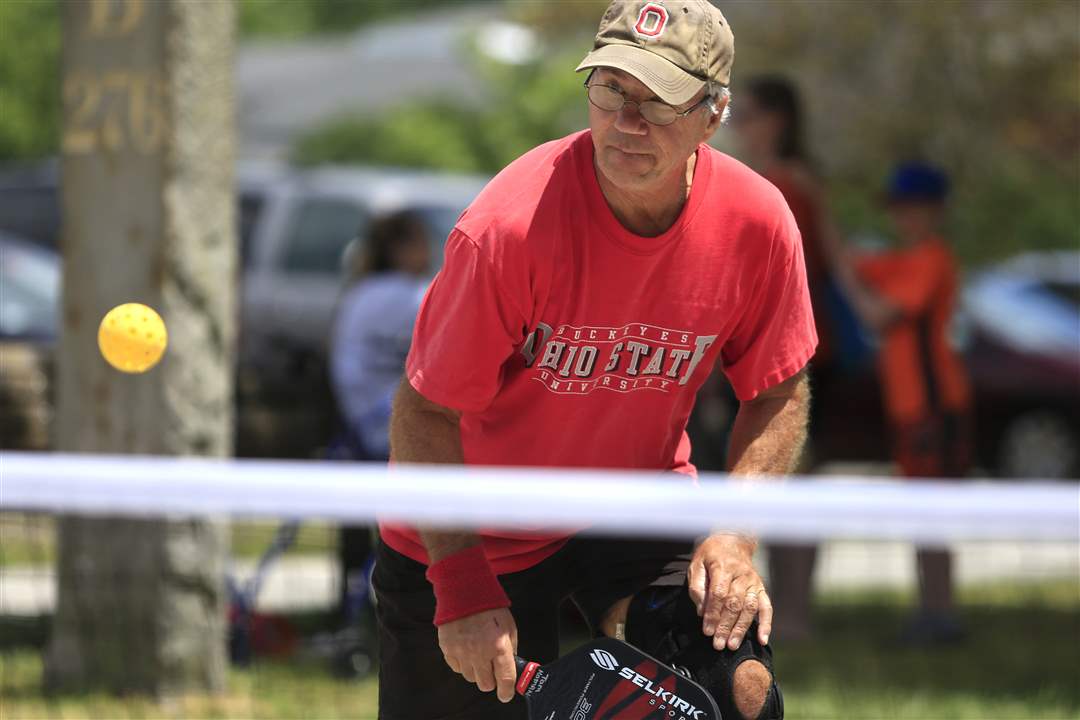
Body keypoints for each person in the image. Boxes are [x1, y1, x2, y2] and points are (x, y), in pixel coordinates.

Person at [376, 2, 817, 718]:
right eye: (611, 89)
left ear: (714, 114)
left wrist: (733, 534)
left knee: (738, 695)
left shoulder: (757, 223)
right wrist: (458, 585)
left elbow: (777, 392)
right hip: (474, 527)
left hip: (629, 507)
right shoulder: (509, 229)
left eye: (658, 98)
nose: (626, 121)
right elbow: (424, 410)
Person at [854, 162, 972, 643]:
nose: (904, 218)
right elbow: (855, 262)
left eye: (914, 209)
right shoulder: (903, 260)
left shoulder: (931, 258)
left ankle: (941, 613)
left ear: (936, 212)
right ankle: (931, 609)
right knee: (919, 513)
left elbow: (879, 314)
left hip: (934, 404)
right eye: (898, 209)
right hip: (910, 406)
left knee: (934, 515)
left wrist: (850, 277)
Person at [328, 209, 431, 623]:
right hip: (396, 441)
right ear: (400, 249)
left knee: (365, 542)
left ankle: (350, 616)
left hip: (358, 435)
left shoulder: (358, 295)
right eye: (421, 241)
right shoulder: (420, 296)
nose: (430, 251)